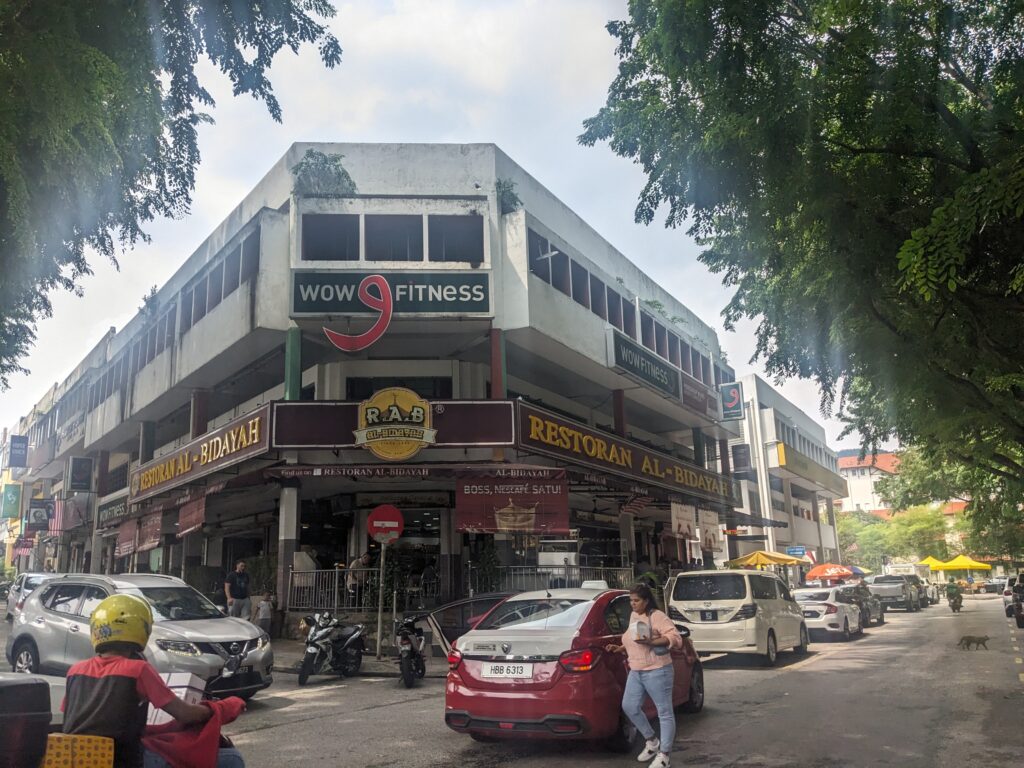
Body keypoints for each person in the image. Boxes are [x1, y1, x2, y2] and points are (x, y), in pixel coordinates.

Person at [62, 594, 245, 768]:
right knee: (231, 760)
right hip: (126, 761)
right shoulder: (138, 669)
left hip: (77, 758)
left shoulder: (75, 670)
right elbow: (186, 714)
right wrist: (222, 707)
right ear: (141, 628)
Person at [605, 584, 683, 768]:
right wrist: (621, 648)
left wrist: (652, 641)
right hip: (636, 669)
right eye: (631, 600)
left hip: (658, 670)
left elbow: (676, 638)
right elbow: (633, 637)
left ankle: (664, 755)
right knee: (629, 706)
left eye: (636, 600)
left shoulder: (656, 616)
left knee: (664, 712)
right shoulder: (634, 616)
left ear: (646, 600)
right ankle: (652, 740)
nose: (633, 604)